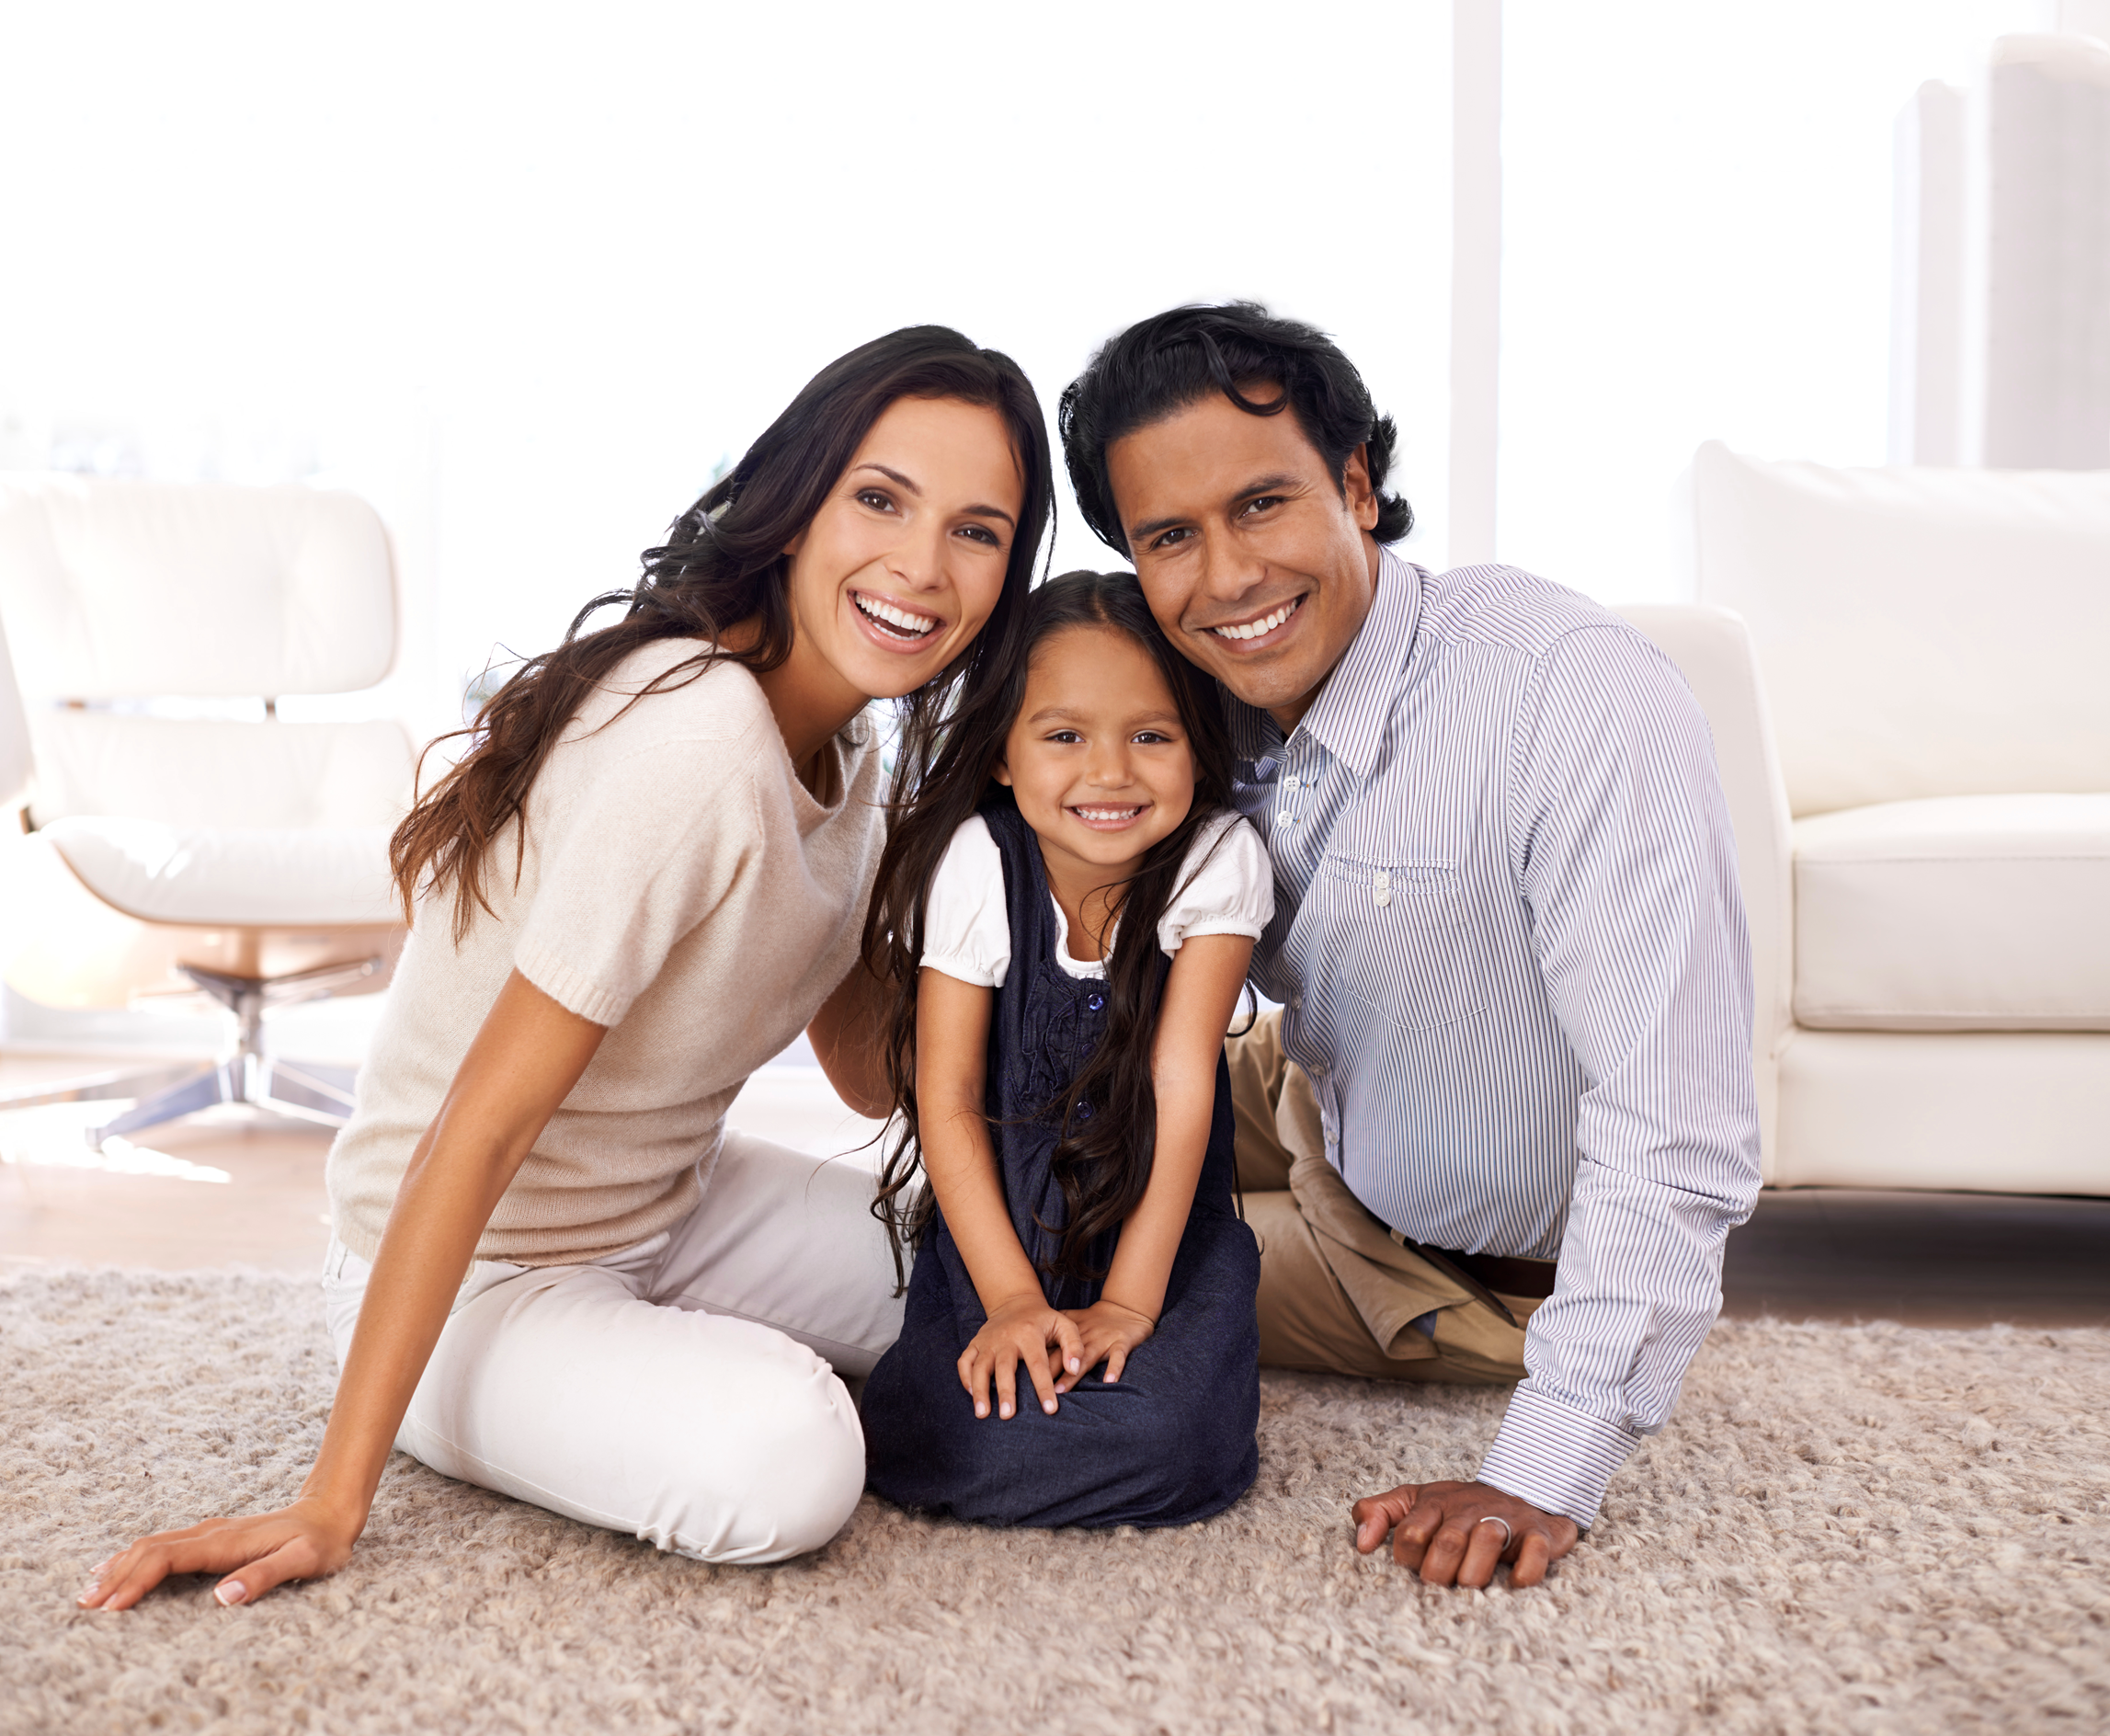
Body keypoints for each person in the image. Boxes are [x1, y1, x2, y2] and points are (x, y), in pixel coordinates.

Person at [79, 325, 1055, 1612]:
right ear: (797, 504)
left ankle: (657, 1365)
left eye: (976, 530)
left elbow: (869, 1075)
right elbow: (475, 1129)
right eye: (881, 499)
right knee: (791, 1462)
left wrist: (995, 863)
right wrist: (332, 1500)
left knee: (1005, 1270)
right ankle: (545, 1395)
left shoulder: (857, 761)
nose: (921, 566)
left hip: (668, 1207)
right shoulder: (693, 737)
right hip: (476, 1259)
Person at [1058, 303, 1763, 1590]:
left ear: (1356, 487)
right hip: (1332, 1082)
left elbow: (1677, 1117)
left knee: (1067, 1260)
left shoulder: (1567, 690)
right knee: (1024, 1128)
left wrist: (1535, 1473)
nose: (1223, 578)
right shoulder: (1202, 696)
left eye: (1261, 506)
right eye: (1170, 536)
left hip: (1429, 1259)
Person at [858, 570, 1272, 1528]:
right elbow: (949, 1095)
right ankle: (968, 1424)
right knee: (954, 1428)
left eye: (1152, 735)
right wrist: (1008, 1301)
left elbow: (1180, 1085)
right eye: (1064, 736)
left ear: (1197, 748)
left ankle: (1101, 1429)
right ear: (1004, 752)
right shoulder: (976, 862)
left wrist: (1130, 1304)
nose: (1110, 773)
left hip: (1160, 1242)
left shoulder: (1214, 861)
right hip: (1001, 1242)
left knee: (1172, 1439)